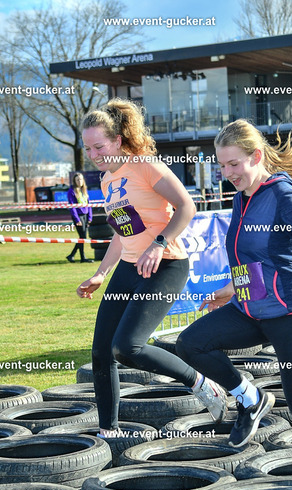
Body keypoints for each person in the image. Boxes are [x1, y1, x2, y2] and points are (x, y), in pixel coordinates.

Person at [176, 119, 292, 477]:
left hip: (289, 313)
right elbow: (252, 256)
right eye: (222, 165)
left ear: (256, 156)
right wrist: (232, 288)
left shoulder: (282, 193)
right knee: (190, 343)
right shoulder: (240, 197)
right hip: (249, 309)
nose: (227, 173)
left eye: (234, 164)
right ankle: (251, 399)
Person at [76, 98, 226, 434]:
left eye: (99, 146)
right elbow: (122, 232)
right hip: (129, 269)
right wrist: (101, 273)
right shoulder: (106, 180)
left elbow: (186, 206)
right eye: (88, 148)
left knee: (128, 347)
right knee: (102, 352)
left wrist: (158, 244)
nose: (94, 154)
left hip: (166, 265)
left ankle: (201, 383)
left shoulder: (145, 166)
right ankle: (109, 431)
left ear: (117, 140)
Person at [66, 172, 94, 263]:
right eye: (77, 180)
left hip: (85, 216)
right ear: (74, 181)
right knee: (82, 236)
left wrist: (90, 218)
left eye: (81, 179)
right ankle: (81, 257)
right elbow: (72, 207)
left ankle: (72, 255)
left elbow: (89, 205)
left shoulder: (84, 191)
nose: (79, 181)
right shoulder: (71, 191)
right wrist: (77, 219)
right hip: (78, 216)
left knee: (83, 237)